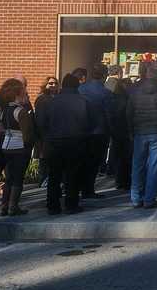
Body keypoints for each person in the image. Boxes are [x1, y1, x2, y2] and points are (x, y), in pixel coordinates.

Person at [37, 74, 94, 214]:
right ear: (77, 85)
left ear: (63, 85)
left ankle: (52, 205)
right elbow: (92, 122)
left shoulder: (51, 102)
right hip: (76, 141)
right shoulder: (84, 101)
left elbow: (41, 123)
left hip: (54, 141)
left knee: (54, 175)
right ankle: (71, 204)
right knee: (72, 174)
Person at [126, 64, 157, 209]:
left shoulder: (135, 91)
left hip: (140, 132)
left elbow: (129, 113)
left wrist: (130, 131)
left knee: (137, 166)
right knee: (155, 167)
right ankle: (149, 199)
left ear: (147, 75)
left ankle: (135, 198)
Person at [0, 78, 35, 216]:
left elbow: (1, 129)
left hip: (6, 146)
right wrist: (29, 146)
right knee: (18, 178)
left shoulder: (5, 110)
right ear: (18, 94)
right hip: (19, 148)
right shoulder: (21, 111)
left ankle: (4, 205)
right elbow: (27, 134)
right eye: (24, 93)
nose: (26, 95)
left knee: (9, 178)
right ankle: (13, 206)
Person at [78, 62, 114, 199]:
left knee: (83, 161)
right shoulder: (106, 92)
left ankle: (81, 188)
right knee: (94, 163)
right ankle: (88, 190)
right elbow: (110, 113)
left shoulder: (81, 89)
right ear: (104, 75)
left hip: (82, 131)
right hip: (99, 132)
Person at [33, 76, 59, 188]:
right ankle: (43, 180)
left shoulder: (58, 98)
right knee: (44, 159)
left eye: (55, 83)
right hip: (44, 134)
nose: (53, 85)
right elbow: (40, 119)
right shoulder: (42, 99)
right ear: (45, 85)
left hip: (56, 134)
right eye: (50, 83)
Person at [110, 78, 133, 192]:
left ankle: (119, 181)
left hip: (116, 131)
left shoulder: (113, 98)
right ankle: (125, 181)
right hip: (124, 131)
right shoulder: (126, 99)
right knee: (126, 157)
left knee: (119, 157)